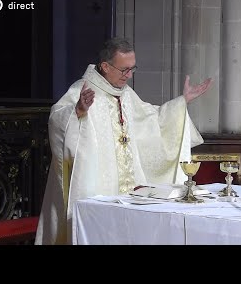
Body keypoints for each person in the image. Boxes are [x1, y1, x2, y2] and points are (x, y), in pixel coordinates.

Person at [35, 37, 212, 245]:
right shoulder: (83, 90)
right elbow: (57, 120)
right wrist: (78, 112)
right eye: (124, 70)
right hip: (98, 190)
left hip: (130, 192)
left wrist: (181, 103)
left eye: (132, 69)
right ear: (105, 67)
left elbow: (151, 119)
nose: (128, 76)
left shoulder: (126, 94)